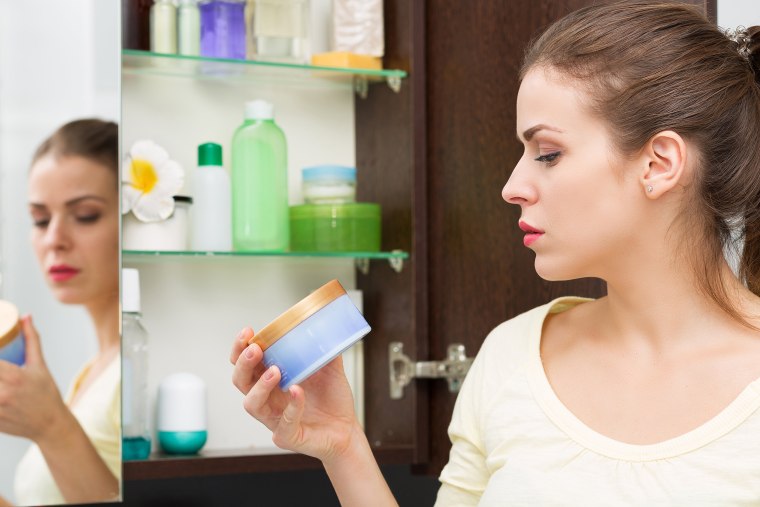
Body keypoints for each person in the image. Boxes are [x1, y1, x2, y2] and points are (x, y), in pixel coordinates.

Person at [230, 2, 760, 504]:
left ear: (659, 163)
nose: (511, 186)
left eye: (548, 154)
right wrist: (343, 445)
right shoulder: (510, 357)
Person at [0, 119, 120, 506]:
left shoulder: (130, 371)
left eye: (85, 215)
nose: (54, 239)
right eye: (40, 219)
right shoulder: (92, 372)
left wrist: (50, 424)